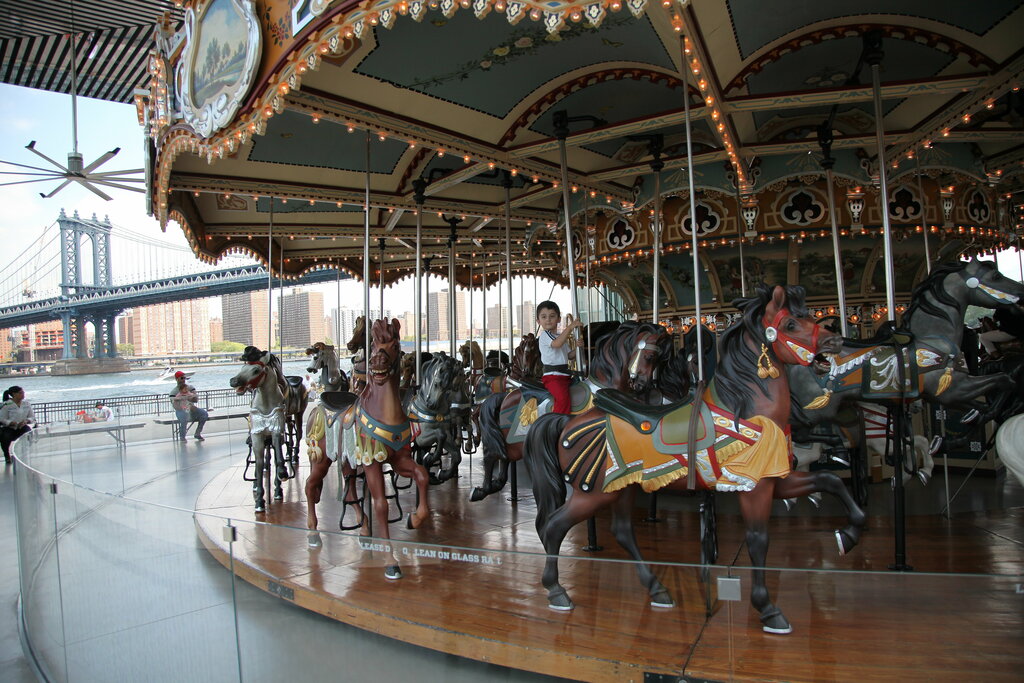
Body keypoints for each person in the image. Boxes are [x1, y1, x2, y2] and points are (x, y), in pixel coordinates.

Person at [536, 301, 582, 414]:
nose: (548, 320)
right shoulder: (545, 335)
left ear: (558, 319)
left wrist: (577, 348)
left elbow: (569, 356)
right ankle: (558, 423)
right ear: (538, 321)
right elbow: (557, 344)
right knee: (562, 400)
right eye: (544, 317)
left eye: (552, 316)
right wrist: (570, 327)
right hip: (553, 377)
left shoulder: (559, 337)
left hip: (564, 376)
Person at [169, 371, 208, 441]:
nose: (184, 380)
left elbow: (196, 399)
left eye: (185, 378)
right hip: (181, 411)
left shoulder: (190, 387)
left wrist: (191, 399)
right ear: (177, 379)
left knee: (204, 414)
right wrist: (184, 406)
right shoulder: (173, 392)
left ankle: (197, 433)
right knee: (183, 417)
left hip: (192, 409)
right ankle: (182, 436)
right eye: (182, 378)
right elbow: (175, 406)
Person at [0, 385, 35, 464]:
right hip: (9, 427)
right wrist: (11, 423)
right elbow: (2, 418)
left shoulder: (26, 404)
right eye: (20, 393)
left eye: (23, 392)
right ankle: (7, 455)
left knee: (29, 435)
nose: (23, 394)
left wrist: (26, 421)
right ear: (14, 394)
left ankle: (23, 454)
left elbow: (32, 417)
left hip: (22, 426)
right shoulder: (6, 405)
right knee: (5, 438)